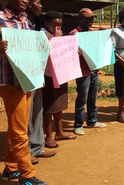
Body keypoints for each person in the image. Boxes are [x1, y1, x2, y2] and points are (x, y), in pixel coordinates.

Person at [0, 0, 46, 185]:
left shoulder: (25, 20)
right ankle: (26, 175)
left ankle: (11, 167)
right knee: (19, 131)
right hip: (10, 83)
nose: (25, 1)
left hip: (26, 81)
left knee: (17, 127)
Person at [26, 0, 56, 163]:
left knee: (37, 111)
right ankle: (25, 150)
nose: (41, 6)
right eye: (38, 2)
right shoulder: (19, 24)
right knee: (26, 115)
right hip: (22, 77)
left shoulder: (31, 23)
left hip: (36, 73)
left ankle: (37, 147)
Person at [41, 11, 77, 147]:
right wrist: (56, 40)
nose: (58, 28)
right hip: (48, 75)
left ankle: (60, 132)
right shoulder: (42, 34)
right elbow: (44, 53)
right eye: (55, 25)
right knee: (49, 105)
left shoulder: (57, 35)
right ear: (46, 24)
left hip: (61, 73)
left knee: (59, 103)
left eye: (60, 25)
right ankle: (49, 136)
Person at [70, 8, 107, 135]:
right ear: (80, 19)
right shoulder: (73, 35)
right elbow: (68, 55)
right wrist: (76, 53)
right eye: (88, 18)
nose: (91, 20)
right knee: (82, 98)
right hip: (82, 72)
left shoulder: (92, 33)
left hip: (94, 71)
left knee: (92, 97)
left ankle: (92, 120)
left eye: (92, 18)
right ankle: (78, 124)